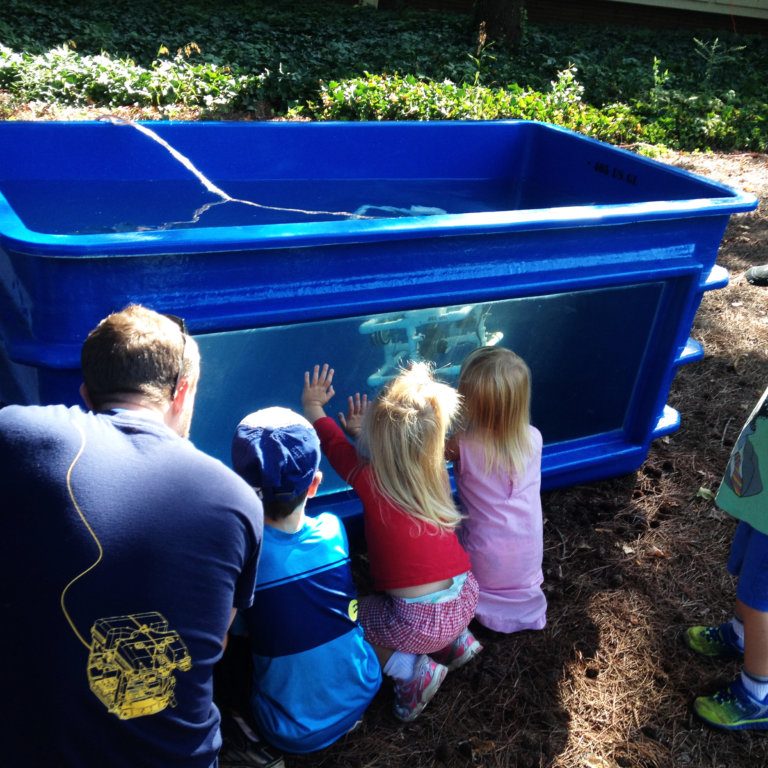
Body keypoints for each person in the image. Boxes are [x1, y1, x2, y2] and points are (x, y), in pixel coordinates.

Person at [0, 304, 263, 768]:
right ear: (181, 392)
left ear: (86, 392)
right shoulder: (237, 498)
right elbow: (215, 642)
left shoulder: (16, 433)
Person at [302, 362, 481, 723]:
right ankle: (456, 642)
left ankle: (412, 670)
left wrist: (313, 407)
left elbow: (334, 447)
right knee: (432, 603)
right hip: (465, 599)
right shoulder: (431, 477)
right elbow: (396, 457)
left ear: (378, 442)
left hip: (420, 623)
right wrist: (364, 439)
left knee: (348, 618)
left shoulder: (372, 481)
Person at [230, 406, 382, 754]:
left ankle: (252, 747)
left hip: (289, 731)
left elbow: (239, 630)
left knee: (229, 656)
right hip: (364, 691)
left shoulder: (243, 557)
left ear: (239, 488)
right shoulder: (334, 529)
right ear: (315, 485)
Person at [447, 346, 546, 633]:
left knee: (444, 523)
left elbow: (426, 453)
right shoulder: (534, 438)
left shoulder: (461, 445)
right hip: (527, 560)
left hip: (484, 560)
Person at [686, 386, 768, 730]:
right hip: (762, 498)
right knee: (749, 571)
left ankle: (756, 695)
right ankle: (740, 635)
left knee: (760, 598)